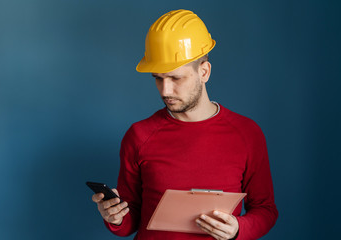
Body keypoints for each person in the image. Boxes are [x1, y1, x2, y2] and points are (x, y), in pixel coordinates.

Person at [92, 9, 278, 240]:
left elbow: (265, 209)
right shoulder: (139, 136)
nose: (165, 90)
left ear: (204, 71)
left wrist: (239, 229)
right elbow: (131, 221)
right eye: (158, 78)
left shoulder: (247, 134)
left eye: (176, 78)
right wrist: (115, 218)